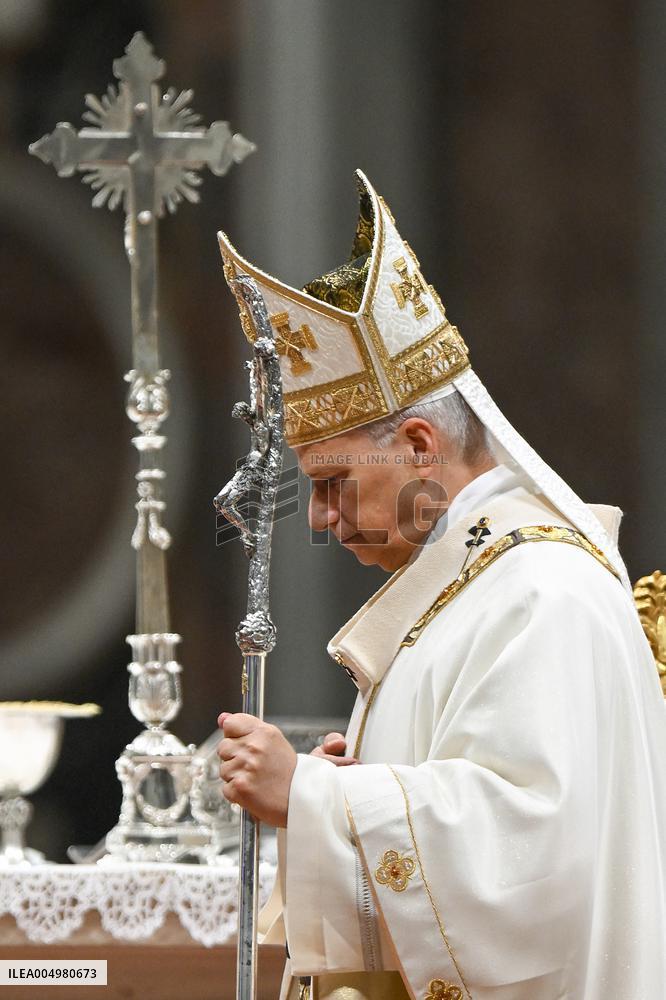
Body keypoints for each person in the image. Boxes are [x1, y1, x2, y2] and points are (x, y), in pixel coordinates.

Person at [216, 171, 666, 1000]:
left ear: (419, 444)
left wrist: (313, 798)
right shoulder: (476, 587)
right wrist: (354, 792)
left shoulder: (543, 593)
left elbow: (538, 856)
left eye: (333, 481)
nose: (318, 519)